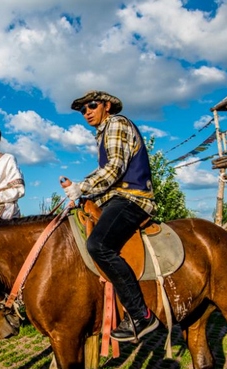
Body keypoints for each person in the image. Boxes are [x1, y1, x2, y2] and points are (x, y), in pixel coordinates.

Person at [60, 90, 159, 342]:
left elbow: (114, 168)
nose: (87, 112)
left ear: (106, 105)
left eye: (91, 106)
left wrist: (82, 186)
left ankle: (141, 315)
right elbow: (107, 176)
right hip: (118, 198)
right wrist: (83, 197)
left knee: (99, 244)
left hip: (133, 199)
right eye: (83, 110)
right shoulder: (103, 133)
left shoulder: (116, 123)